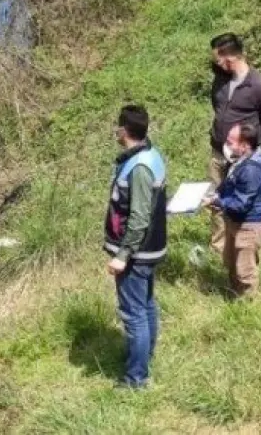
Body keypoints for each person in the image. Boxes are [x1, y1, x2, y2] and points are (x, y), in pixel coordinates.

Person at [104, 104, 167, 389]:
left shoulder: (139, 167)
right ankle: (144, 355)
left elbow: (139, 217)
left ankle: (136, 379)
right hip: (150, 248)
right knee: (146, 305)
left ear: (124, 131)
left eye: (117, 127)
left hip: (138, 253)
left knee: (134, 313)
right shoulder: (151, 155)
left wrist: (123, 255)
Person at [207, 33, 261, 254]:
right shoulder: (220, 80)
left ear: (228, 57)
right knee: (215, 202)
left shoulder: (260, 87)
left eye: (216, 58)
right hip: (218, 152)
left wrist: (252, 150)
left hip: (242, 159)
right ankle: (218, 249)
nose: (214, 63)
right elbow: (218, 109)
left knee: (238, 204)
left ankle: (241, 249)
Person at [203, 122, 261, 298]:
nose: (226, 146)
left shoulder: (251, 169)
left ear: (245, 145)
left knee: (245, 270)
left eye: (231, 142)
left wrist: (218, 201)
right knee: (231, 262)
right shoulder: (241, 160)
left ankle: (249, 306)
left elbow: (241, 203)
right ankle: (235, 294)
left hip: (249, 225)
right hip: (236, 220)